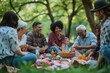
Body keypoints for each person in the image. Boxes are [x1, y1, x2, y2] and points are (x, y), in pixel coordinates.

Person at [90, 0, 110, 68]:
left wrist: (96, 67)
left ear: (101, 11)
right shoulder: (106, 22)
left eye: (96, 12)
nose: (95, 14)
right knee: (91, 63)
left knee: (91, 65)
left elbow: (104, 48)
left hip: (106, 52)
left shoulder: (107, 25)